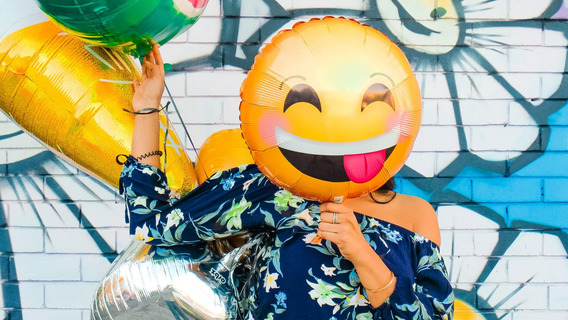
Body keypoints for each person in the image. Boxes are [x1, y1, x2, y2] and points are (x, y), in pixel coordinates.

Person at [120, 44, 454, 319]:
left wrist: (362, 254)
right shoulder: (270, 189)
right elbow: (154, 223)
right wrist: (148, 108)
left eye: (360, 105)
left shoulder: (415, 216)